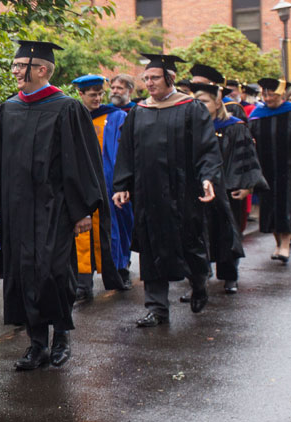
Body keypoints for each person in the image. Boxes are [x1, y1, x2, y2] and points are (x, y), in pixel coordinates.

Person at [0, 40, 110, 371]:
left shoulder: (67, 108)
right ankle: (36, 343)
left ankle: (62, 335)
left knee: (54, 272)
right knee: (22, 274)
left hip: (54, 208)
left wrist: (82, 210)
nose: (14, 72)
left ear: (41, 69)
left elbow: (83, 162)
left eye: (19, 67)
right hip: (14, 210)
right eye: (13, 66)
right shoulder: (7, 109)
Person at [111, 53, 222, 327]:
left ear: (170, 78)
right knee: (150, 247)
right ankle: (157, 308)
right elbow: (126, 151)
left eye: (154, 78)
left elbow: (207, 147)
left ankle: (199, 284)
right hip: (147, 192)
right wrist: (122, 185)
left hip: (183, 191)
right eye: (145, 78)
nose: (149, 83)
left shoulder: (191, 108)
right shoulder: (139, 111)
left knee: (190, 244)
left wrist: (208, 178)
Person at [189, 83, 266, 295]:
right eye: (197, 102)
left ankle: (230, 276)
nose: (200, 106)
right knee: (198, 234)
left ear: (217, 102)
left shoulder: (234, 126)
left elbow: (246, 158)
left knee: (226, 232)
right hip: (197, 190)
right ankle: (200, 278)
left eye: (204, 101)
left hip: (228, 190)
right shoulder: (191, 128)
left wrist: (246, 187)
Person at [70, 74, 133, 301]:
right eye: (92, 95)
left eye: (100, 94)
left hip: (110, 185)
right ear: (81, 94)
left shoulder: (115, 117)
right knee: (82, 233)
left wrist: (121, 183)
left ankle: (120, 271)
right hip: (83, 186)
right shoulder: (73, 115)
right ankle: (83, 283)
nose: (98, 98)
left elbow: (123, 152)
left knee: (116, 231)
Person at [248, 78, 291, 264]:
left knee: (286, 205)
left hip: (287, 168)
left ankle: (285, 245)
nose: (267, 98)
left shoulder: (289, 111)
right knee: (270, 208)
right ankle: (278, 242)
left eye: (271, 94)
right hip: (265, 169)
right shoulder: (258, 114)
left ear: (281, 94)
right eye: (264, 94)